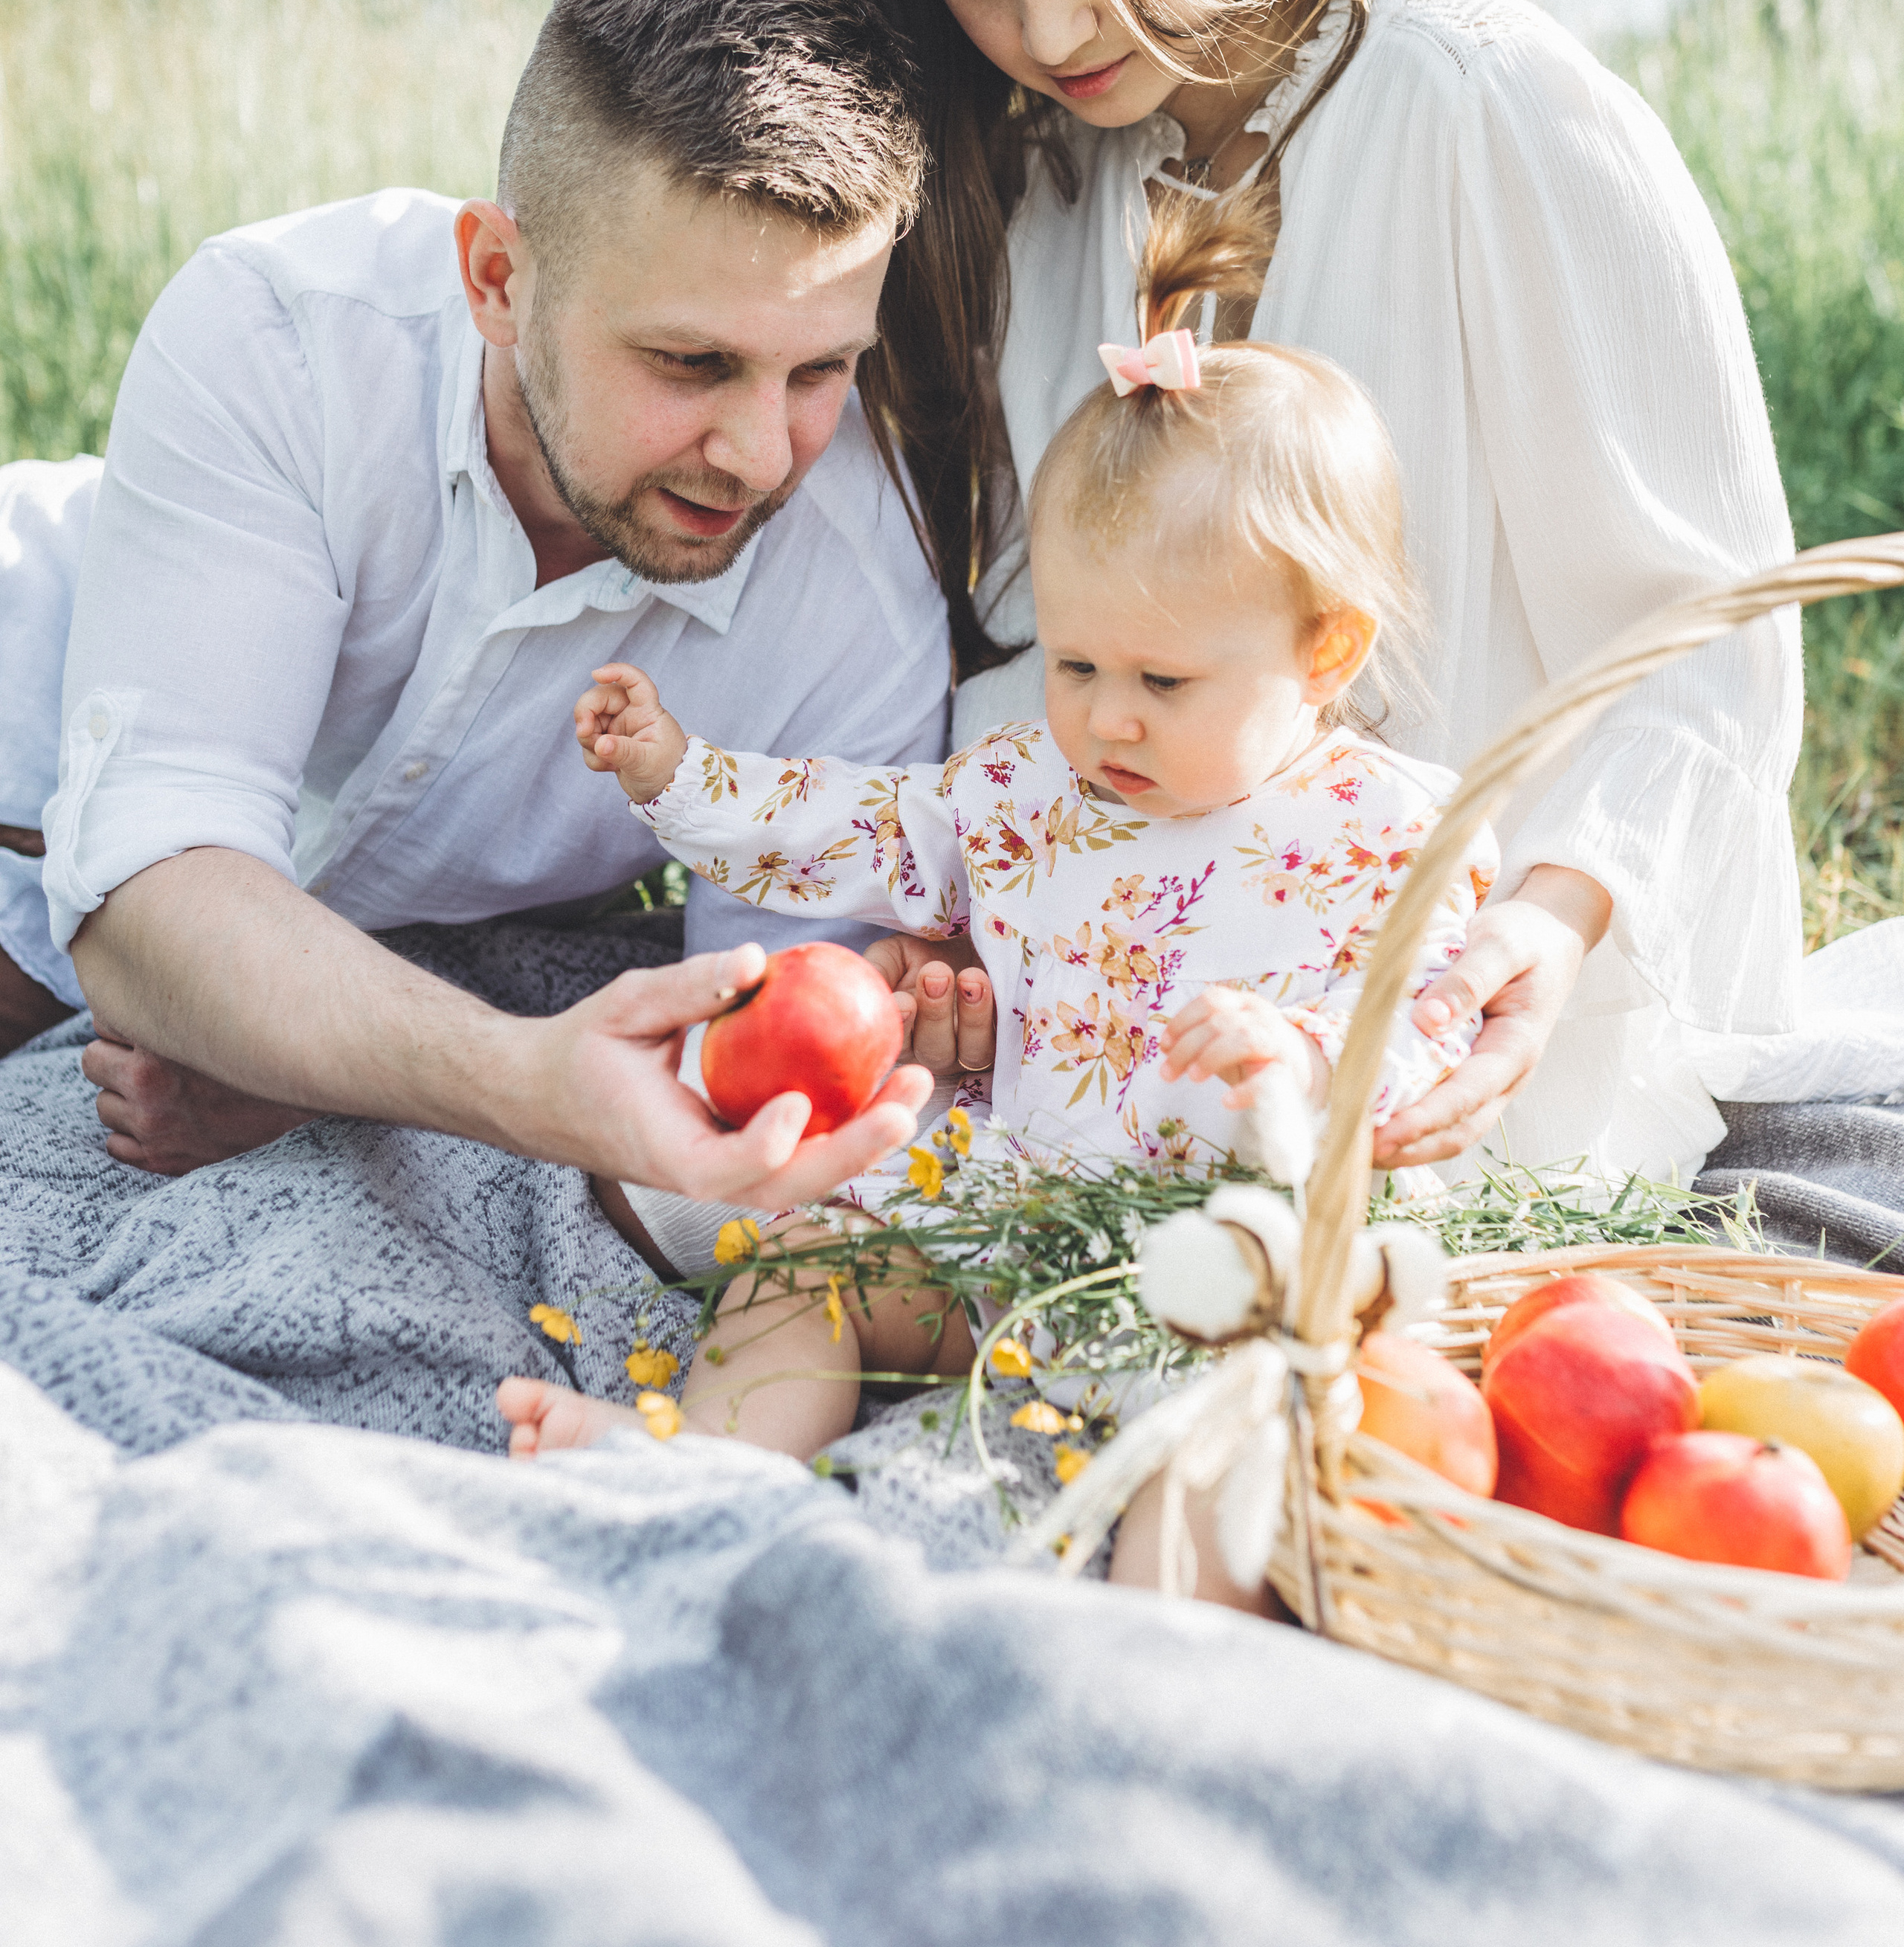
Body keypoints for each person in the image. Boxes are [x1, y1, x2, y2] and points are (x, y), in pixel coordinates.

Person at [794, 0, 1801, 1185]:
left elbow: (1704, 654)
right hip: (1151, 1036)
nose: (1048, 29)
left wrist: (1540, 933)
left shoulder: (1496, 113)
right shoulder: (1043, 178)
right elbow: (1055, 651)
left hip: (1482, 1012)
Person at [496, 335, 1495, 1614]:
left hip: (1226, 1279)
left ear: (1326, 654)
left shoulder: (1392, 829)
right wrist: (684, 775)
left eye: (1161, 680)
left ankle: (1162, 1647)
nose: (1107, 717)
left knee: (1235, 1434)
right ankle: (706, 1468)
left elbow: (1430, 1022)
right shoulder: (1036, 789)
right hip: (1016, 1240)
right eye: (1075, 665)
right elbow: (868, 829)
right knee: (809, 1263)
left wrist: (1304, 1055)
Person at [12, 0, 981, 1220]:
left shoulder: (864, 594)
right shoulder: (281, 335)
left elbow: (769, 1064)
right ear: (497, 278)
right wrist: (495, 1074)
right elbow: (152, 887)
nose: (760, 456)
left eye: (818, 371)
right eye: (690, 363)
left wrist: (322, 1063)